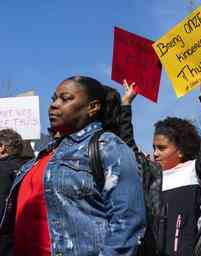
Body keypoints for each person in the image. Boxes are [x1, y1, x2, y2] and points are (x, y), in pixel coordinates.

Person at [0, 76, 146, 256]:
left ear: (92, 107)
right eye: (54, 98)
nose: (54, 104)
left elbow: (127, 222)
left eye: (66, 98)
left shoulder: (107, 146)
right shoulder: (43, 156)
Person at [120, 73, 201, 256]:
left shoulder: (194, 171)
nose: (155, 153)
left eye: (161, 148)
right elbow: (127, 147)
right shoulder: (150, 174)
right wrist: (126, 104)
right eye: (154, 147)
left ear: (181, 151)